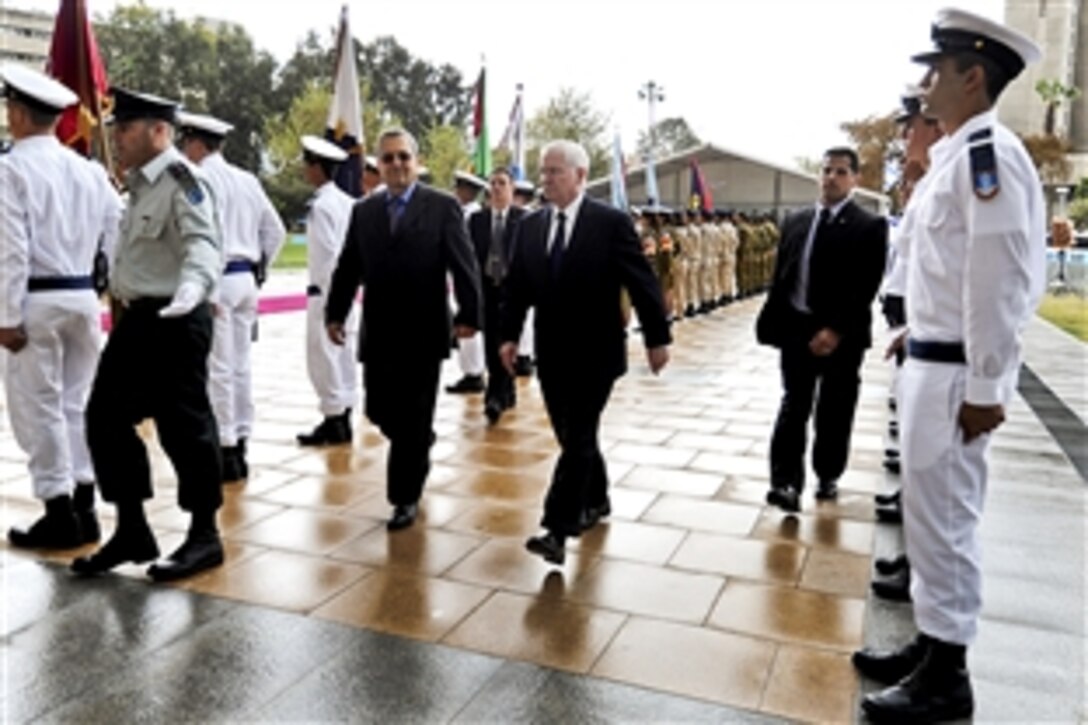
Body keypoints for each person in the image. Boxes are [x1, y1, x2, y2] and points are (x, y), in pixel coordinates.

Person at [855, 10, 1044, 722]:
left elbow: (998, 280)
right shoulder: (957, 157)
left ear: (973, 77)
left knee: (949, 520)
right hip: (934, 361)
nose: (925, 80)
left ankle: (948, 677)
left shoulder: (988, 155)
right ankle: (933, 644)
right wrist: (915, 333)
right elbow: (946, 274)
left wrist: (990, 383)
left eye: (937, 68)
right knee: (927, 519)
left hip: (960, 375)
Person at [71, 88, 225, 582]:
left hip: (178, 316)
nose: (117, 136)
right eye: (118, 127)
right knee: (104, 418)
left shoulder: (184, 179)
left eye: (127, 128)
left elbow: (203, 243)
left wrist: (193, 288)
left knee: (185, 427)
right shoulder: (137, 184)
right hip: (139, 319)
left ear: (160, 132)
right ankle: (133, 528)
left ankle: (205, 535)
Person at [499, 140, 671, 566]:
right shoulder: (531, 226)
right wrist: (507, 337)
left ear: (579, 175)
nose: (546, 180)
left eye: (555, 171)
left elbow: (641, 280)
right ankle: (597, 498)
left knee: (577, 436)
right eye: (543, 172)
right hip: (552, 353)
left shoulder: (609, 223)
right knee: (571, 434)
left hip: (597, 353)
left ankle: (557, 528)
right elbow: (517, 287)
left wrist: (656, 338)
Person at [326, 128, 481, 531]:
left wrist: (470, 315)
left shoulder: (443, 207)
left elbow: (465, 267)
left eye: (403, 157)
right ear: (378, 165)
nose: (396, 165)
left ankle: (404, 497)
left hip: (425, 331)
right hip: (379, 330)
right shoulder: (365, 211)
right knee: (378, 409)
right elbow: (348, 266)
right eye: (388, 158)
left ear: (416, 161)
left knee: (413, 416)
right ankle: (417, 442)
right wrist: (335, 313)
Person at [0, 64, 122, 549]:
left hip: (36, 299)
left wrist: (5, 316)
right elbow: (117, 227)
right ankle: (86, 506)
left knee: (40, 407)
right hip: (82, 298)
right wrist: (110, 287)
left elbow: (9, 248)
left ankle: (57, 510)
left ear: (18, 114)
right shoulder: (88, 170)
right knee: (79, 405)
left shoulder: (10, 168)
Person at [756, 147, 887, 511]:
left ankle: (828, 472)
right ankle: (785, 483)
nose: (831, 177)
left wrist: (835, 330)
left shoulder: (868, 226)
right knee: (793, 405)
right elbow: (783, 275)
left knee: (834, 407)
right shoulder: (796, 221)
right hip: (797, 330)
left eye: (841, 172)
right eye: (826, 170)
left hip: (841, 337)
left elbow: (865, 285)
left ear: (855, 180)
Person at [177, 111, 286, 481]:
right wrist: (260, 268)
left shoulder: (197, 178)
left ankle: (224, 449)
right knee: (240, 366)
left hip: (217, 280)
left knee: (218, 369)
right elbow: (276, 231)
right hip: (244, 279)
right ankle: (240, 440)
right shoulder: (247, 180)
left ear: (194, 143)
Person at [296, 135, 359, 446]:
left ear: (317, 168)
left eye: (306, 164)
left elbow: (328, 257)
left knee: (323, 356)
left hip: (326, 293)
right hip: (348, 294)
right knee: (343, 355)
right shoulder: (348, 203)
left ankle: (333, 419)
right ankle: (344, 415)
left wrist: (331, 302)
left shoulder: (321, 206)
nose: (304, 170)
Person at [467, 167, 527, 424]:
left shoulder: (523, 219)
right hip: (487, 288)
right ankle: (505, 390)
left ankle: (496, 396)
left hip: (513, 291)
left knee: (507, 341)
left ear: (512, 188)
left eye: (502, 183)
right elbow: (470, 257)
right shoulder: (477, 220)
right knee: (492, 341)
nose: (497, 188)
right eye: (492, 183)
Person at [446, 169, 489, 394]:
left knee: (469, 326)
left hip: (468, 278)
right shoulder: (465, 213)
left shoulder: (472, 216)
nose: (456, 192)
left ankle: (473, 373)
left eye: (460, 188)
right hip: (463, 277)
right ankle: (472, 370)